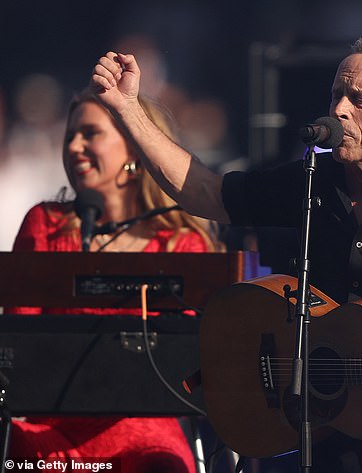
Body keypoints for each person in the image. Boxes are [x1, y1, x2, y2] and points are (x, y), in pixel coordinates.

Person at [90, 36, 362, 472]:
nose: (339, 110)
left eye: (359, 99)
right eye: (336, 95)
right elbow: (206, 193)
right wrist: (128, 109)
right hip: (319, 422)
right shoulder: (313, 180)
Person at [7, 88, 223, 472]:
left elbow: (188, 370)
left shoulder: (180, 243)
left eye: (90, 134)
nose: (74, 146)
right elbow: (19, 344)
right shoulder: (45, 225)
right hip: (48, 431)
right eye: (70, 135)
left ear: (135, 147)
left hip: (144, 435)